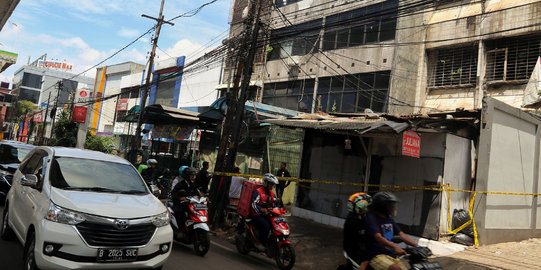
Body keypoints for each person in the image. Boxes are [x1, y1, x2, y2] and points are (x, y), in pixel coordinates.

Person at [365, 192, 418, 270]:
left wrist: (417, 246)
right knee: (396, 269)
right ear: (382, 207)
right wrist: (395, 247)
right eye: (391, 205)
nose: (393, 207)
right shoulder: (372, 219)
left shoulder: (389, 219)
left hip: (391, 254)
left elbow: (401, 235)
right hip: (376, 255)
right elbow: (378, 237)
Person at [170, 167, 204, 239]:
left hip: (189, 204)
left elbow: (197, 193)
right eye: (192, 175)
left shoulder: (193, 184)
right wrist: (180, 198)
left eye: (194, 175)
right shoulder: (180, 184)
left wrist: (203, 197)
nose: (194, 177)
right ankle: (181, 230)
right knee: (181, 213)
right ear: (187, 175)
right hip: (180, 204)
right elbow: (174, 194)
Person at [343, 192, 372, 270]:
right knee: (366, 261)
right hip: (353, 247)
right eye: (365, 206)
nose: (367, 208)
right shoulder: (352, 219)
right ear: (360, 207)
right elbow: (357, 236)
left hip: (359, 245)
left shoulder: (361, 216)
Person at [250, 173, 279, 251]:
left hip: (267, 215)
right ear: (266, 183)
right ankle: (259, 242)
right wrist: (261, 210)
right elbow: (253, 204)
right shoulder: (258, 192)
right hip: (256, 215)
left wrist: (278, 207)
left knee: (276, 225)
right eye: (271, 184)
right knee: (266, 226)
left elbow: (273, 204)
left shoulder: (272, 194)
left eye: (273, 184)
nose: (272, 186)